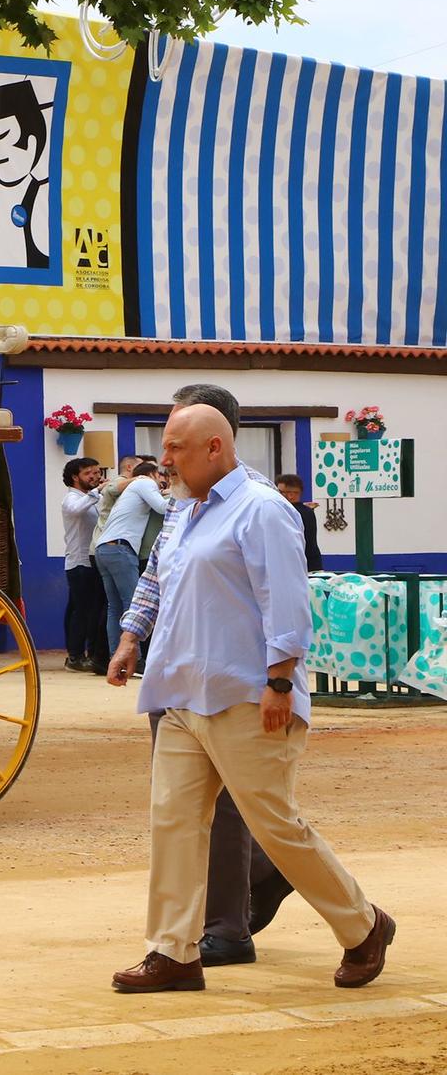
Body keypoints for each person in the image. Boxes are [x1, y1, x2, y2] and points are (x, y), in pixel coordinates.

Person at [106, 398, 391, 994]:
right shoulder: (184, 511)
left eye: (175, 448)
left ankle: (363, 927)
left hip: (246, 692)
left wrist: (279, 682)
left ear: (216, 447)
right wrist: (131, 639)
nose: (164, 461)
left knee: (276, 825)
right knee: (174, 823)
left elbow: (286, 603)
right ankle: (174, 952)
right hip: (182, 694)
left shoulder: (262, 510)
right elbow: (160, 579)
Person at [96, 459, 168, 672]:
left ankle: (114, 658)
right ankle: (134, 661)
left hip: (104, 547)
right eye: (160, 481)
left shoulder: (131, 488)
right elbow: (163, 508)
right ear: (153, 474)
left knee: (114, 607)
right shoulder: (145, 482)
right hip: (121, 548)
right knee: (133, 604)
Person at [60, 457, 106, 673]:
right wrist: (98, 492)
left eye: (97, 472)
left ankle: (78, 654)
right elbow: (77, 509)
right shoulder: (71, 498)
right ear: (75, 477)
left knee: (81, 610)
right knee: (82, 612)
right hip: (79, 563)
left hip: (87, 562)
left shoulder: (88, 498)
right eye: (89, 473)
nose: (95, 477)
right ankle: (76, 656)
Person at [275, 473, 324, 571]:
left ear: (292, 494)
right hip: (311, 565)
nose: (276, 494)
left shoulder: (287, 512)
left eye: (280, 492)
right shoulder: (306, 511)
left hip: (297, 567)